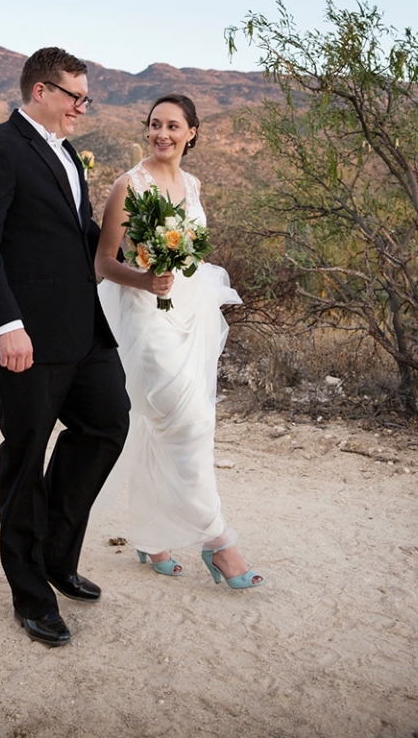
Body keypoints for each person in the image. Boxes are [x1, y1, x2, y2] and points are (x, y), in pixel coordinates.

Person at [0, 47, 130, 647]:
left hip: (82, 330)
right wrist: (6, 325)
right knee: (27, 458)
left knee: (106, 425)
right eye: (75, 96)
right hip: (25, 337)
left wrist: (135, 244)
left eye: (86, 97)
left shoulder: (68, 152)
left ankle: (56, 553)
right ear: (40, 91)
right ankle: (31, 596)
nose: (83, 107)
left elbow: (73, 233)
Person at [95, 94, 263, 588]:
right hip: (146, 318)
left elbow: (193, 253)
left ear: (192, 133)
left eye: (172, 126)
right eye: (154, 125)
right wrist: (146, 280)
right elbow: (103, 261)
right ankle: (220, 542)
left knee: (167, 427)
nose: (161, 134)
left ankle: (151, 536)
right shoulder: (129, 185)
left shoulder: (192, 185)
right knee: (185, 423)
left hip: (191, 316)